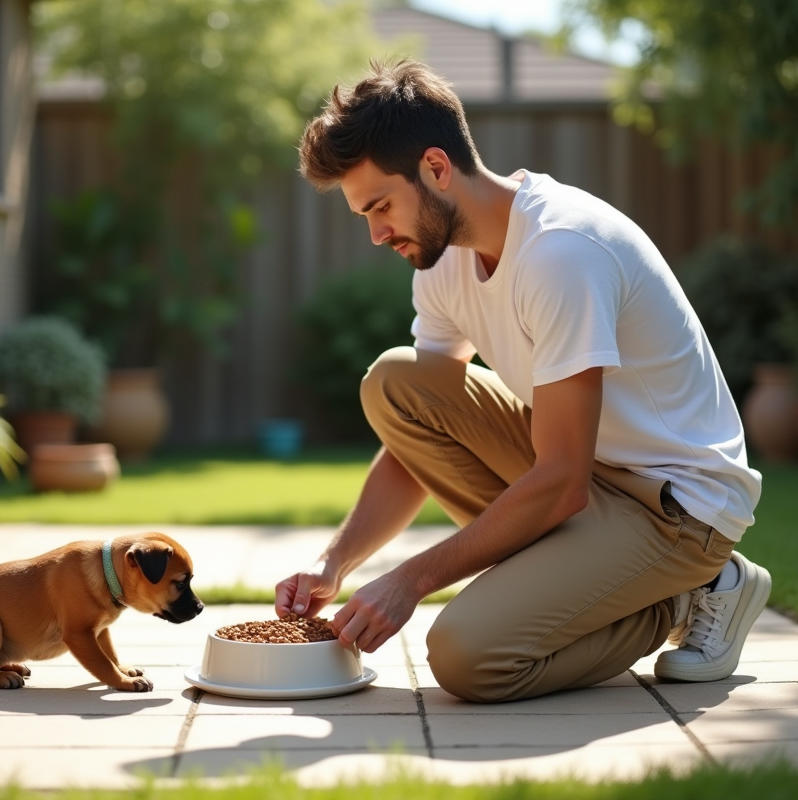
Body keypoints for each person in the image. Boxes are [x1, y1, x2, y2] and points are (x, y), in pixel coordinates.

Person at [275, 60, 771, 702]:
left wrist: (410, 580)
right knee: (396, 383)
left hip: (674, 510)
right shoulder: (442, 264)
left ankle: (684, 593)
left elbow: (561, 481)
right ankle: (611, 582)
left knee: (467, 657)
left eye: (381, 207)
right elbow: (418, 438)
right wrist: (334, 562)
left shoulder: (562, 251)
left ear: (436, 167)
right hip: (581, 473)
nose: (376, 235)